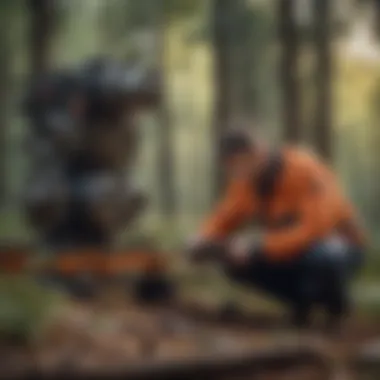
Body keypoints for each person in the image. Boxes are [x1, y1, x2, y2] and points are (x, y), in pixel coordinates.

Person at [187, 129, 366, 328]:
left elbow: (315, 229)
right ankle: (300, 304)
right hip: (289, 248)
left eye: (241, 161)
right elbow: (225, 216)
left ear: (258, 151)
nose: (237, 170)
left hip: (338, 245)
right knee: (233, 261)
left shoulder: (305, 168)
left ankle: (335, 308)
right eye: (231, 165)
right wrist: (203, 238)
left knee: (323, 258)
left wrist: (259, 245)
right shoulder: (246, 182)